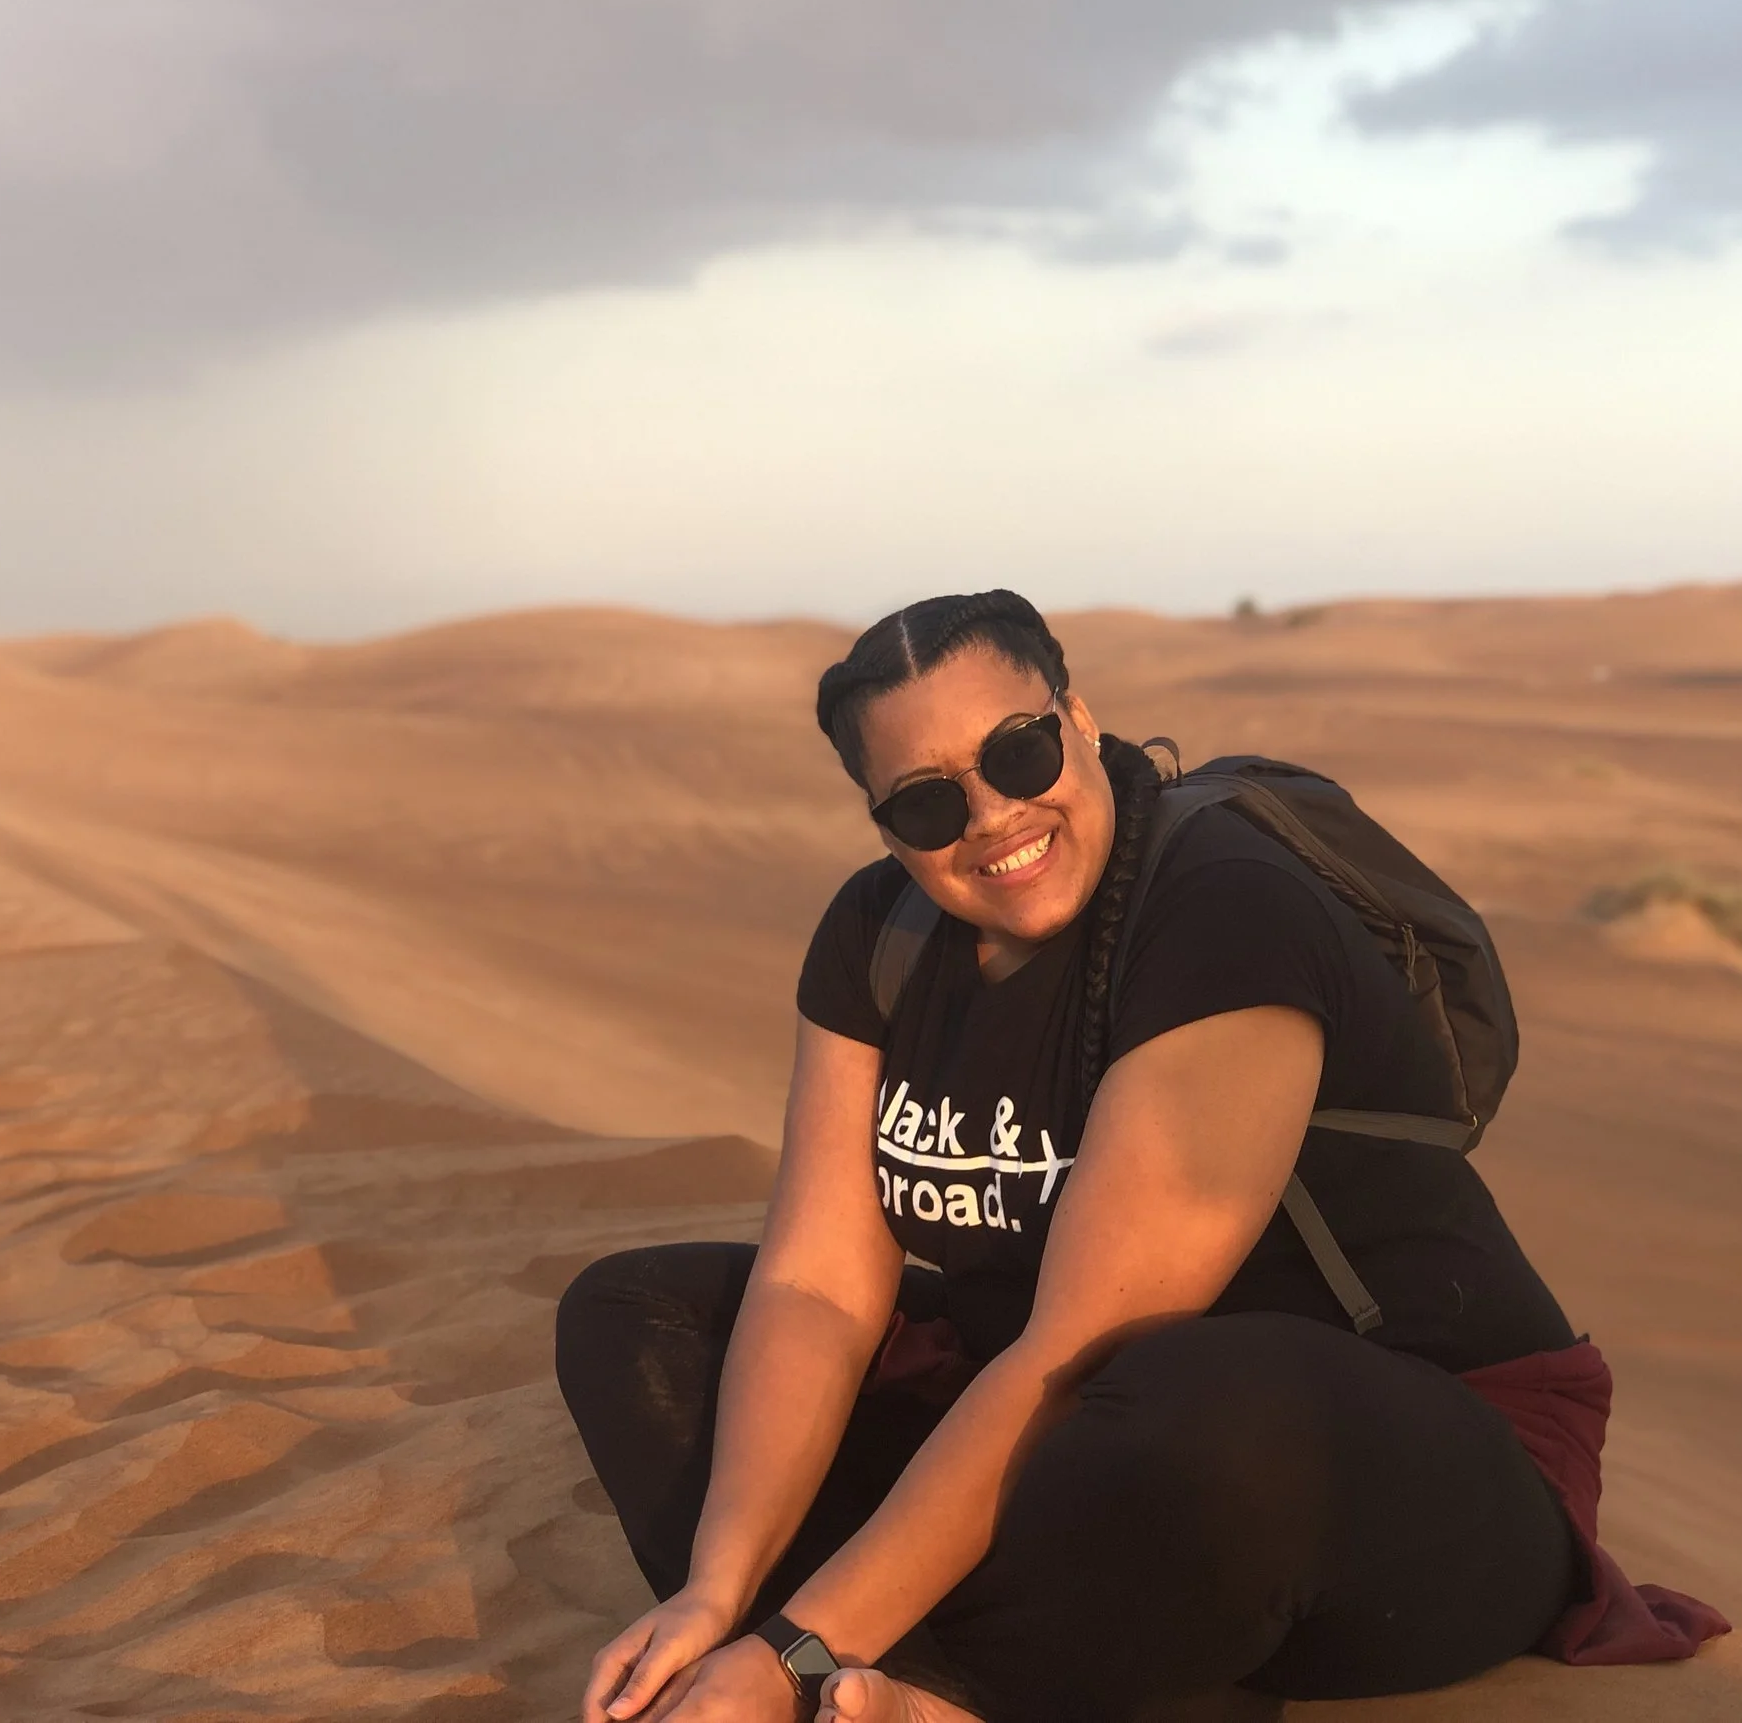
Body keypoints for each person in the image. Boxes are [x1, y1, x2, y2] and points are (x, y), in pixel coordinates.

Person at [553, 590, 1601, 1723]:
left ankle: (918, 1691)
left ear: (1079, 719)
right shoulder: (881, 937)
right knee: (638, 1313)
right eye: (924, 802)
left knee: (1198, 1398)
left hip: (1383, 1483)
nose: (992, 815)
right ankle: (833, 1675)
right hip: (1068, 1452)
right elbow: (813, 1285)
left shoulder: (1222, 911)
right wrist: (721, 1587)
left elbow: (1073, 1353)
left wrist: (798, 1645)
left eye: (1018, 750)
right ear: (881, 823)